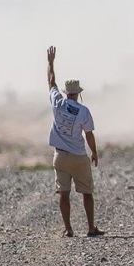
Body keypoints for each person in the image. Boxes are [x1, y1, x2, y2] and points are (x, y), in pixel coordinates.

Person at [46, 45, 104, 237]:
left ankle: (68, 229)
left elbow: (51, 81)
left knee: (64, 193)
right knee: (87, 192)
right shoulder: (84, 111)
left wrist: (51, 63)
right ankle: (91, 228)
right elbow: (89, 134)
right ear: (78, 93)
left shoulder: (57, 102)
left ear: (66, 92)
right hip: (79, 156)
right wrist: (94, 152)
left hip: (60, 156)